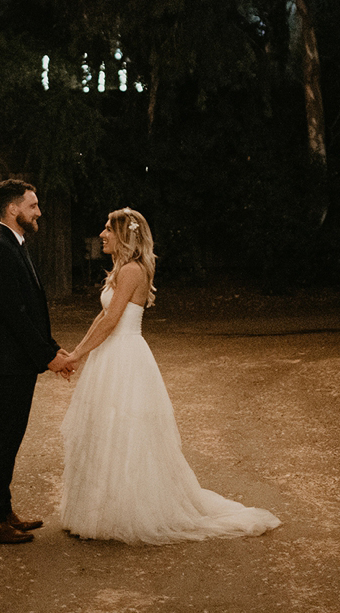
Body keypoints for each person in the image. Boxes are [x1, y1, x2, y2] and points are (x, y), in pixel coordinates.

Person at [55, 208, 281, 545]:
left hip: (125, 359)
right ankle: (98, 511)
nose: (102, 234)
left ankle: (122, 513)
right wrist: (76, 352)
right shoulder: (122, 270)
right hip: (110, 357)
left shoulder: (132, 271)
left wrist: (76, 356)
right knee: (104, 432)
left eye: (108, 229)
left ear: (124, 235)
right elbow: (101, 317)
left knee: (125, 435)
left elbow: (112, 319)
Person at [0, 177, 74, 545]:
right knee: (3, 438)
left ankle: (3, 510)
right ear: (13, 208)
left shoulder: (14, 244)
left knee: (10, 437)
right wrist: (48, 358)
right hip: (7, 363)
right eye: (32, 206)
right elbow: (15, 315)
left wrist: (53, 348)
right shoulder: (0, 248)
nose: (39, 212)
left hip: (17, 361)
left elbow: (33, 308)